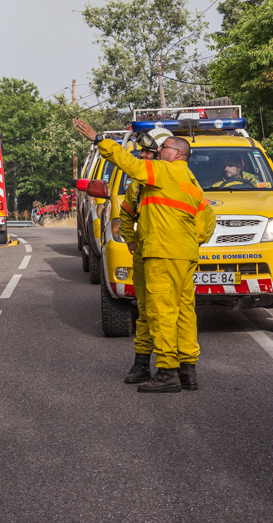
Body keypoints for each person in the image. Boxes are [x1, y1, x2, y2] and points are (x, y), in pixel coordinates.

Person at [75, 119, 216, 392]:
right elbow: (207, 219)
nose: (157, 152)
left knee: (160, 311)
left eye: (163, 148)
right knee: (184, 311)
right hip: (183, 254)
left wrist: (99, 140)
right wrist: (188, 240)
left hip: (162, 252)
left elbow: (129, 164)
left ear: (176, 153)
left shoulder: (164, 171)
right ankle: (188, 370)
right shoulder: (190, 181)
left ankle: (167, 372)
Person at [115, 131, 168, 384]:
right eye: (141, 152)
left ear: (162, 153)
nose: (143, 156)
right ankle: (142, 365)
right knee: (145, 312)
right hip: (146, 255)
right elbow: (126, 214)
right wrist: (131, 238)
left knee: (171, 313)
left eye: (147, 152)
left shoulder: (181, 180)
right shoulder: (137, 184)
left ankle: (175, 367)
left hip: (173, 257)